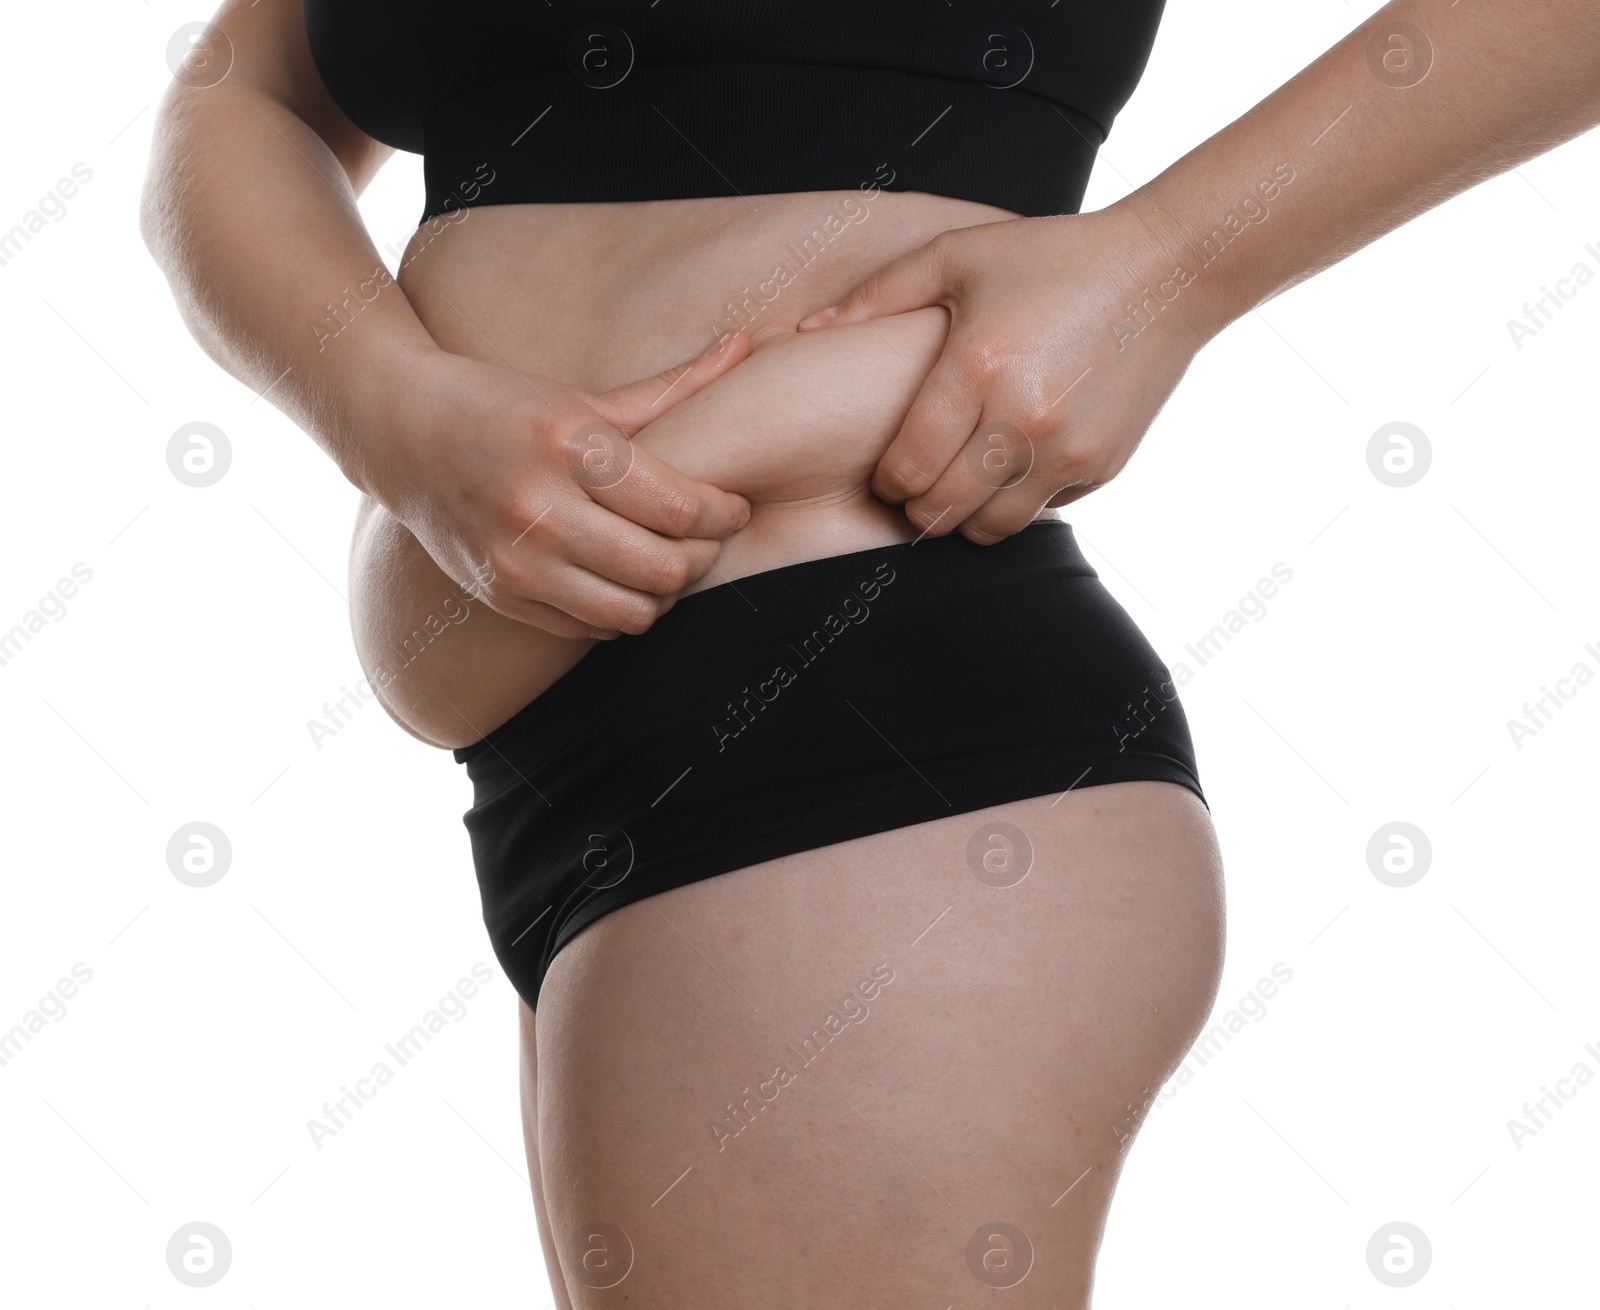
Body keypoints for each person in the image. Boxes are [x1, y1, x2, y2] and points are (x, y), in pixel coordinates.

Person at [140, 1, 1600, 1305]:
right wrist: (387, 403)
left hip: (870, 716)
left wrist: (1174, 263)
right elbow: (240, 93)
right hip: (573, 782)